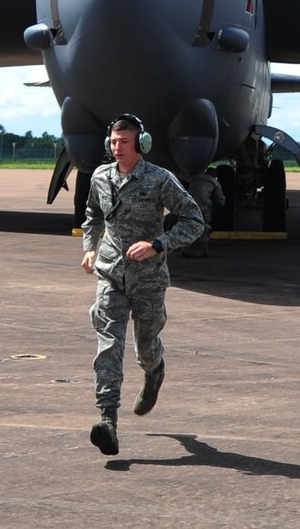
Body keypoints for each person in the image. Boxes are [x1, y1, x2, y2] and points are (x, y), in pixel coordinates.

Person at [80, 115, 206, 456]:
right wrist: (90, 248)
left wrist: (158, 244)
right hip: (110, 274)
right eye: (113, 141)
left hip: (148, 279)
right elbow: (92, 215)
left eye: (124, 142)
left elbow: (194, 220)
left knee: (145, 344)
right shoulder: (100, 177)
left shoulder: (159, 180)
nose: (116, 147)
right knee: (109, 345)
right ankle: (107, 420)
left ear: (141, 144)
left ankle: (154, 372)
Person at [184, 166, 225, 257]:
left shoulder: (196, 177)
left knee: (187, 225)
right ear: (214, 174)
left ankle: (185, 248)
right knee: (204, 226)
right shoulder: (214, 181)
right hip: (203, 206)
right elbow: (220, 199)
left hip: (188, 204)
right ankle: (204, 250)